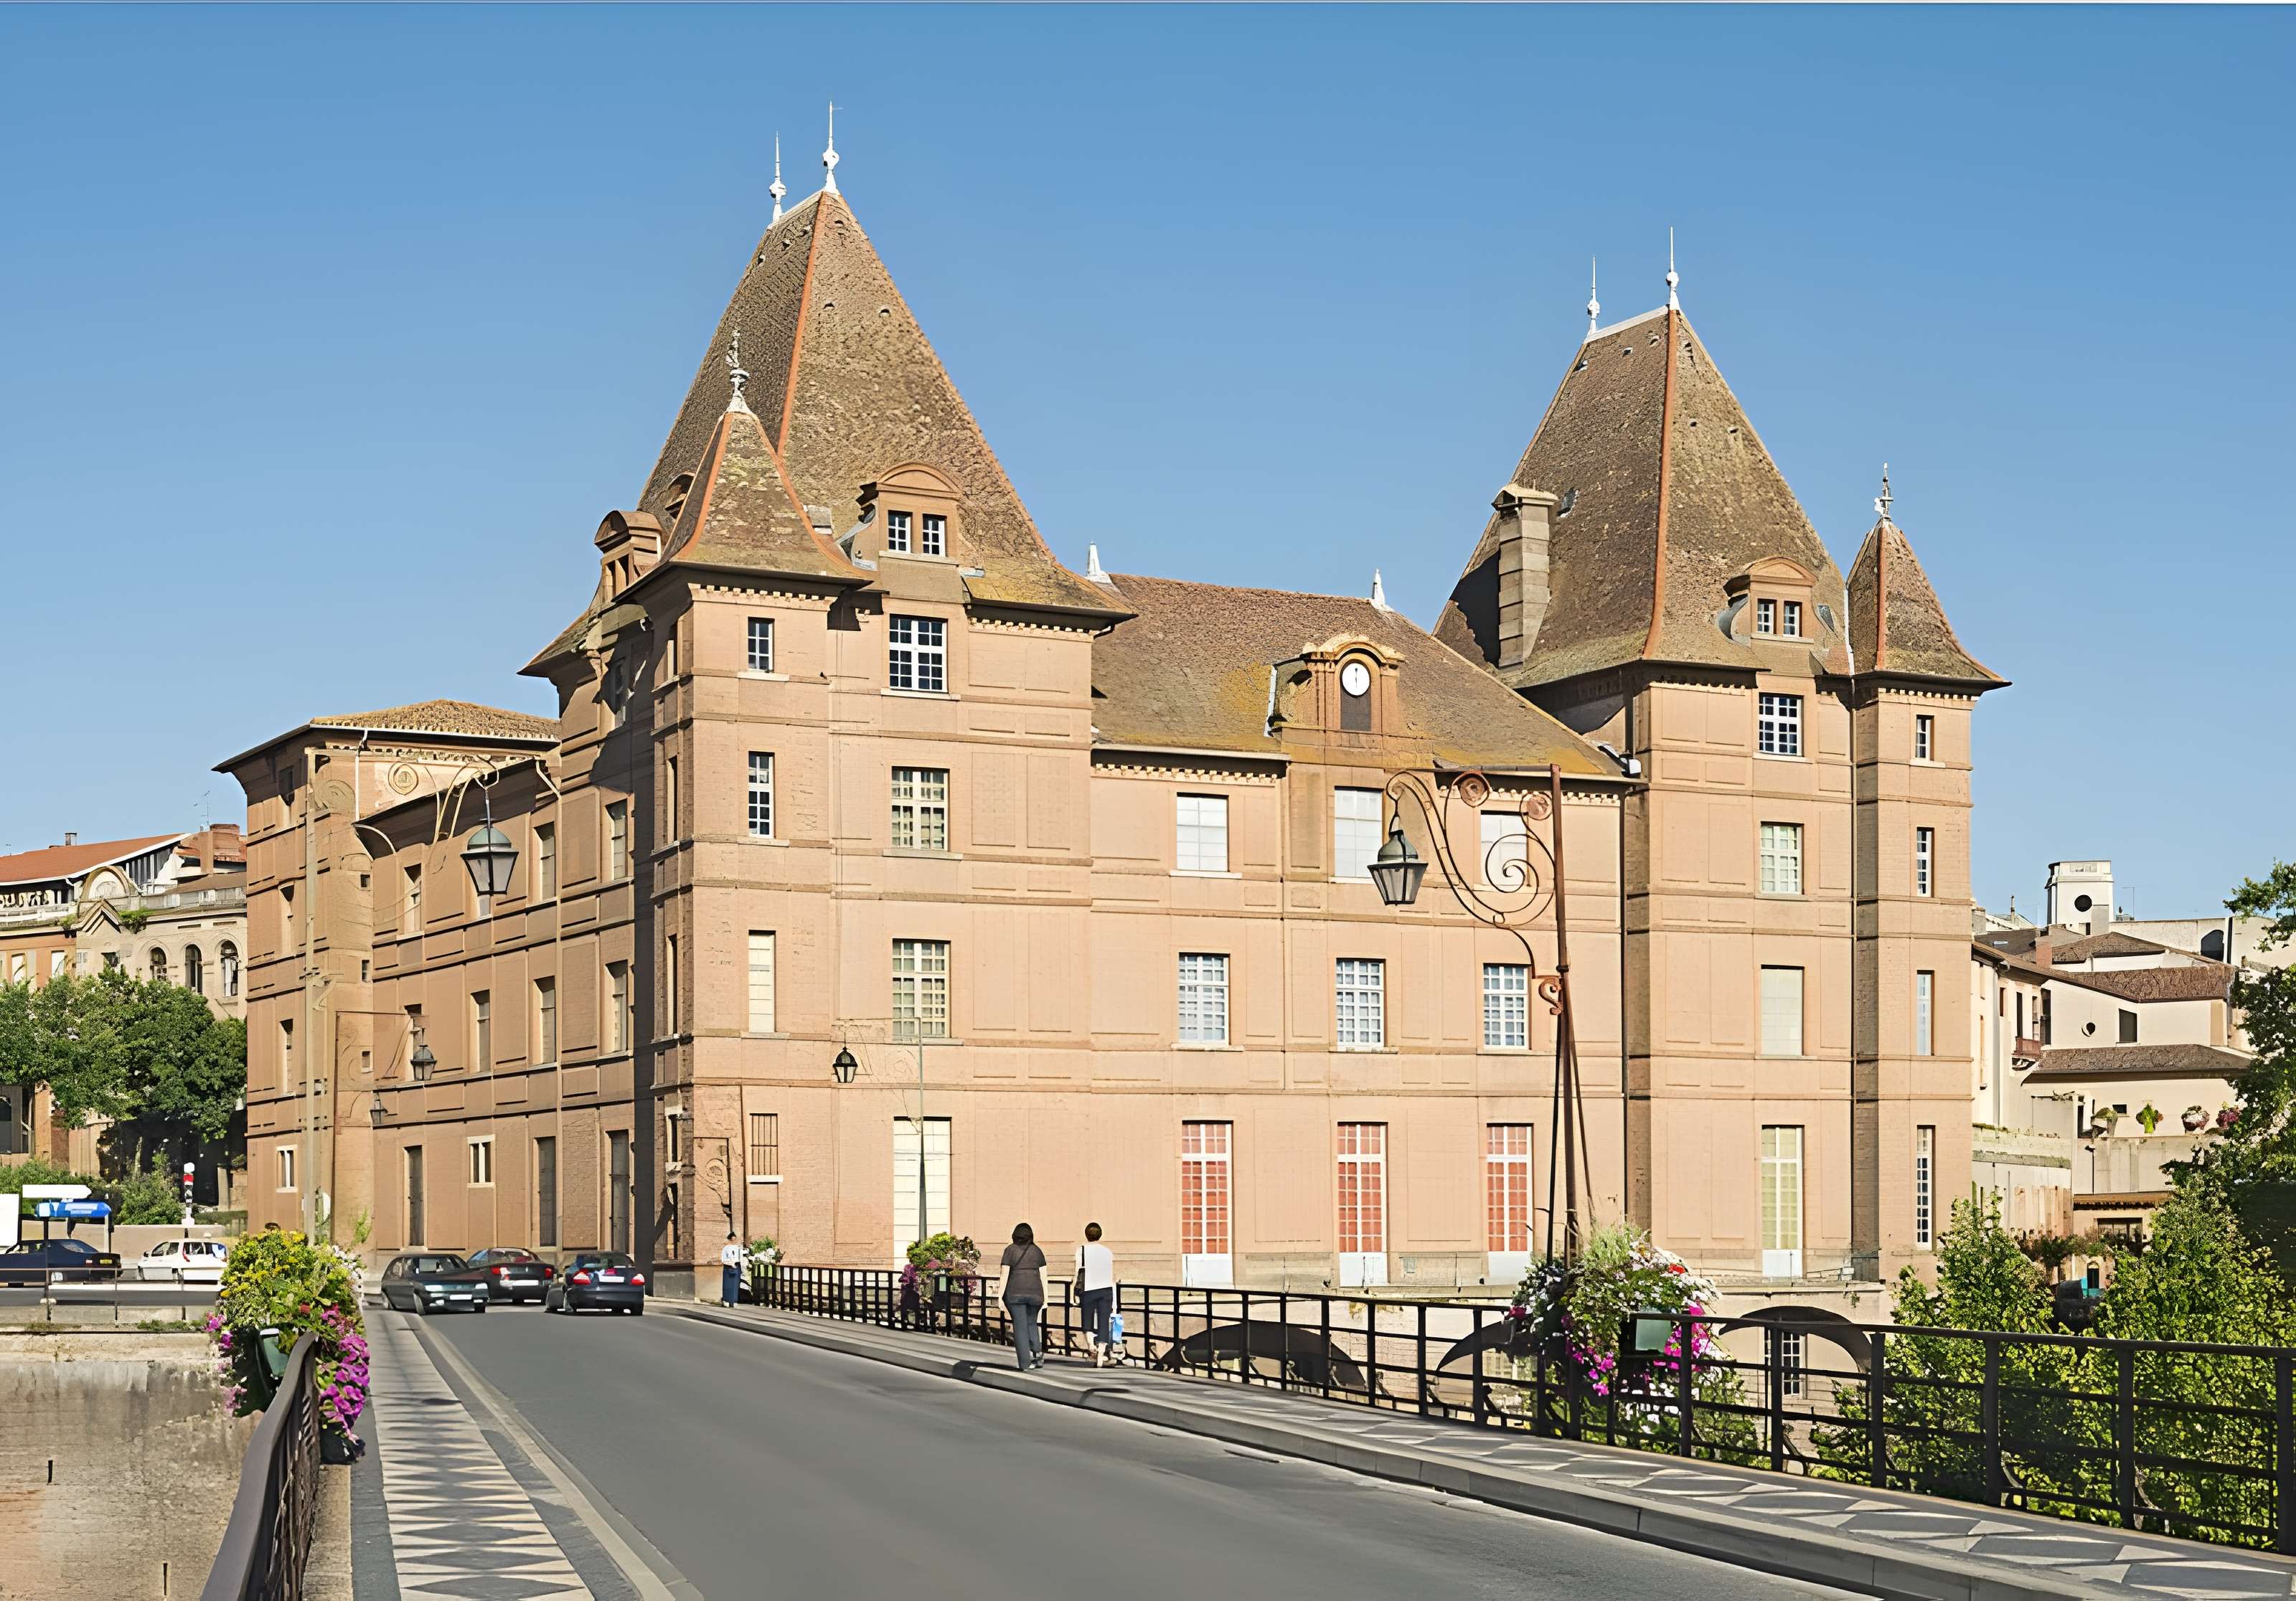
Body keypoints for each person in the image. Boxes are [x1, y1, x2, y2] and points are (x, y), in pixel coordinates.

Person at [999, 1222, 1047, 1370]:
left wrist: (999, 1297)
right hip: (1036, 1294)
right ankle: (1037, 1353)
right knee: (1032, 1323)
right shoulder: (1037, 1251)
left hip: (1014, 1294)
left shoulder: (1010, 1250)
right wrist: (1046, 1299)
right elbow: (1044, 1276)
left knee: (1020, 1326)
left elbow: (1004, 1275)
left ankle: (1024, 1363)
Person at [1073, 1222, 1118, 1367]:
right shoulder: (1108, 1252)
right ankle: (1102, 1352)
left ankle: (1092, 1348)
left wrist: (1073, 1290)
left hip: (1089, 1288)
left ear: (1086, 1235)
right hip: (1106, 1289)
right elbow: (1111, 1273)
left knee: (1087, 1318)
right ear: (1100, 1235)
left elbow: (1077, 1272)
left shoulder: (1081, 1250)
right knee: (1104, 1320)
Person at [718, 1234, 745, 1306]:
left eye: (735, 1239)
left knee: (735, 1285)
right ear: (730, 1240)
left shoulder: (738, 1248)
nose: (734, 1241)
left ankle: (734, 1301)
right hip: (729, 1267)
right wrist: (731, 1264)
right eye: (733, 1239)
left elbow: (741, 1258)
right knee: (728, 1285)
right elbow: (724, 1259)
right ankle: (727, 1300)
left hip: (737, 1267)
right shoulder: (726, 1248)